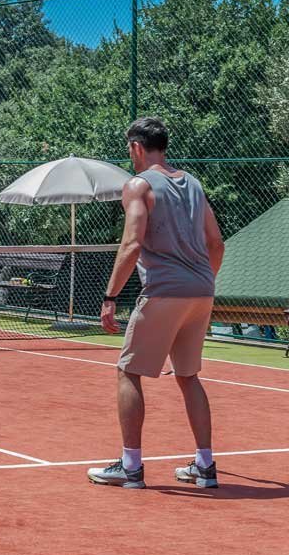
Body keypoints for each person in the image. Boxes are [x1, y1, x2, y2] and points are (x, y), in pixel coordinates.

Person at [87, 118, 226, 490]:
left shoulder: (138, 185)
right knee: (188, 376)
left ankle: (130, 468)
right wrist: (202, 283)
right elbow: (216, 243)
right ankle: (205, 467)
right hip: (202, 290)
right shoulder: (193, 184)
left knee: (128, 372)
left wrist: (110, 297)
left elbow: (132, 243)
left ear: (136, 147)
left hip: (164, 290)